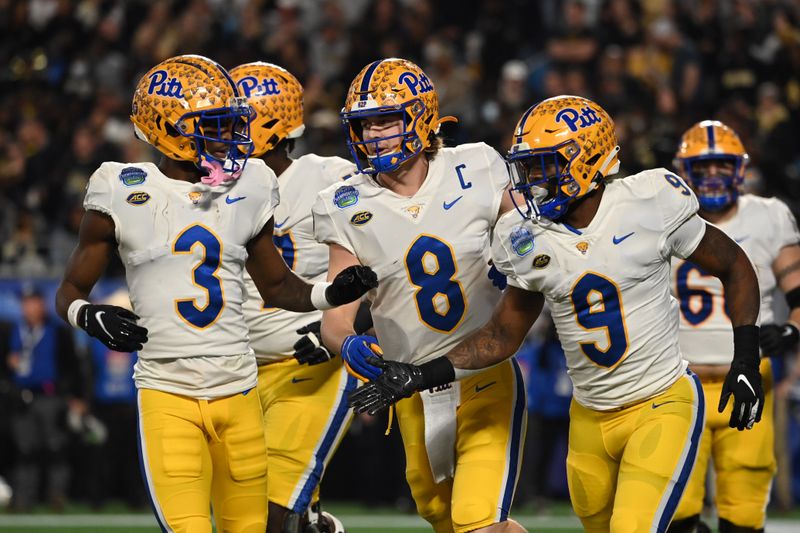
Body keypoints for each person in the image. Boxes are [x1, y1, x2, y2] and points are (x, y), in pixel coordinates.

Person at [350, 95, 765, 533]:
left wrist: (746, 356)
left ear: (585, 160)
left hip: (661, 402)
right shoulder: (525, 237)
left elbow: (734, 265)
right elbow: (501, 337)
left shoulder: (650, 202)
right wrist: (419, 375)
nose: (530, 180)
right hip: (588, 415)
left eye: (543, 165)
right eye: (528, 166)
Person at [54, 54, 377, 533]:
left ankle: (306, 523)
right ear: (166, 128)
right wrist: (87, 316)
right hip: (172, 385)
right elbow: (72, 288)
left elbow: (281, 284)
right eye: (215, 124)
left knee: (263, 524)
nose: (229, 137)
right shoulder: (121, 189)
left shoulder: (258, 183)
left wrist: (337, 305)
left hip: (249, 379)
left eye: (230, 123)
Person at [313, 58, 527, 533]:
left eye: (386, 120)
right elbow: (336, 313)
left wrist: (509, 256)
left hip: (483, 374)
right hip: (407, 387)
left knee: (478, 519)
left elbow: (531, 240)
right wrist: (347, 343)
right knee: (443, 517)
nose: (374, 135)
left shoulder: (478, 167)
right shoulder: (343, 204)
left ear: (422, 117)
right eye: (364, 125)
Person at [229, 61, 356, 533]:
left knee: (270, 512)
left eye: (234, 122)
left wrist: (341, 329)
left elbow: (381, 263)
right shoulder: (216, 187)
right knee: (239, 513)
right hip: (237, 371)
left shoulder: (329, 178)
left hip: (308, 365)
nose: (222, 134)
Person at [667, 120, 800, 533]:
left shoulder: (768, 216)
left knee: (743, 517)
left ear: (739, 169)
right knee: (675, 514)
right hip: (675, 384)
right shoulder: (660, 217)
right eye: (701, 167)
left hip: (746, 377)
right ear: (681, 170)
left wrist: (792, 330)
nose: (711, 176)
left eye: (721, 165)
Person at [7, 286, 86, 511]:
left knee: (56, 448)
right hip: (22, 398)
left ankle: (56, 496)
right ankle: (24, 498)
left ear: (42, 304)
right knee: (24, 450)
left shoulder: (57, 331)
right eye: (26, 303)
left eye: (34, 302)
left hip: (51, 396)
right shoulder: (13, 330)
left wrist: (77, 397)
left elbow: (73, 365)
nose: (30, 307)